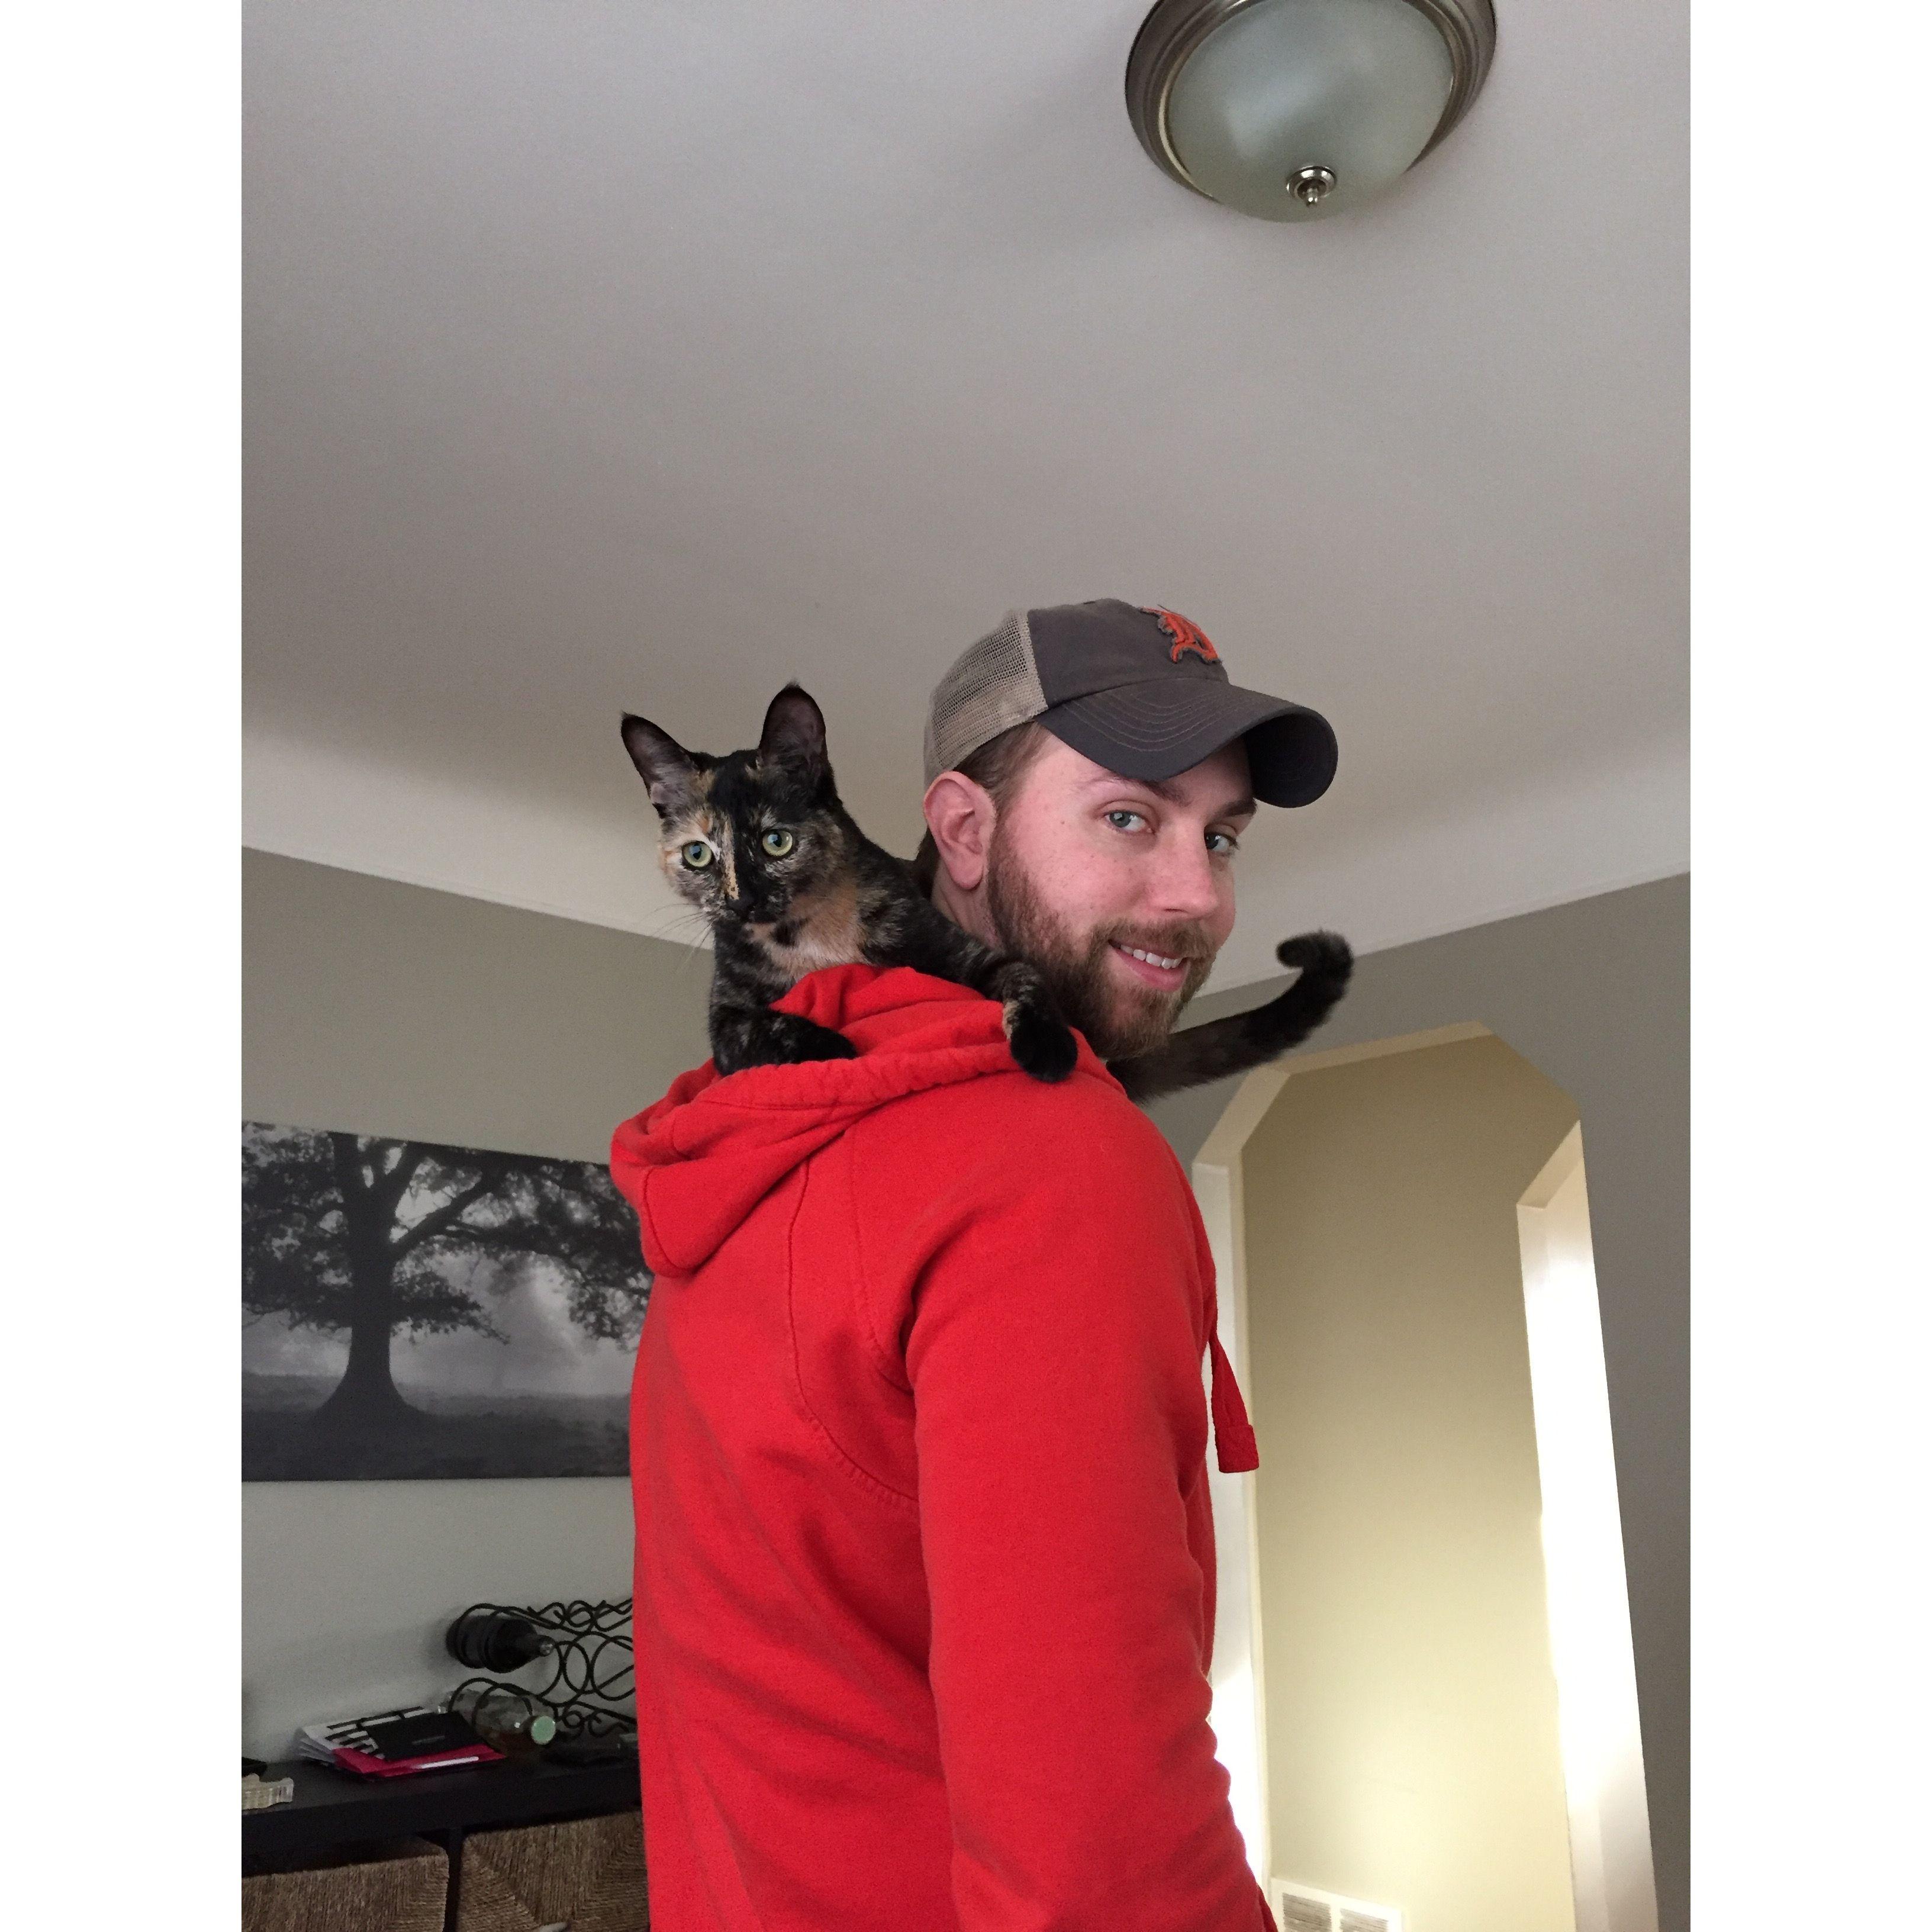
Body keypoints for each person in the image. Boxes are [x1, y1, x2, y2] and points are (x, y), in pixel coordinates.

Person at [610, 599, 1338, 1931]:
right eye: (1129, 817)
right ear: (959, 830)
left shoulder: (741, 1152)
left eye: (1221, 836)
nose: (1200, 897)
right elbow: (1100, 1847)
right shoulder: (1050, 1159)